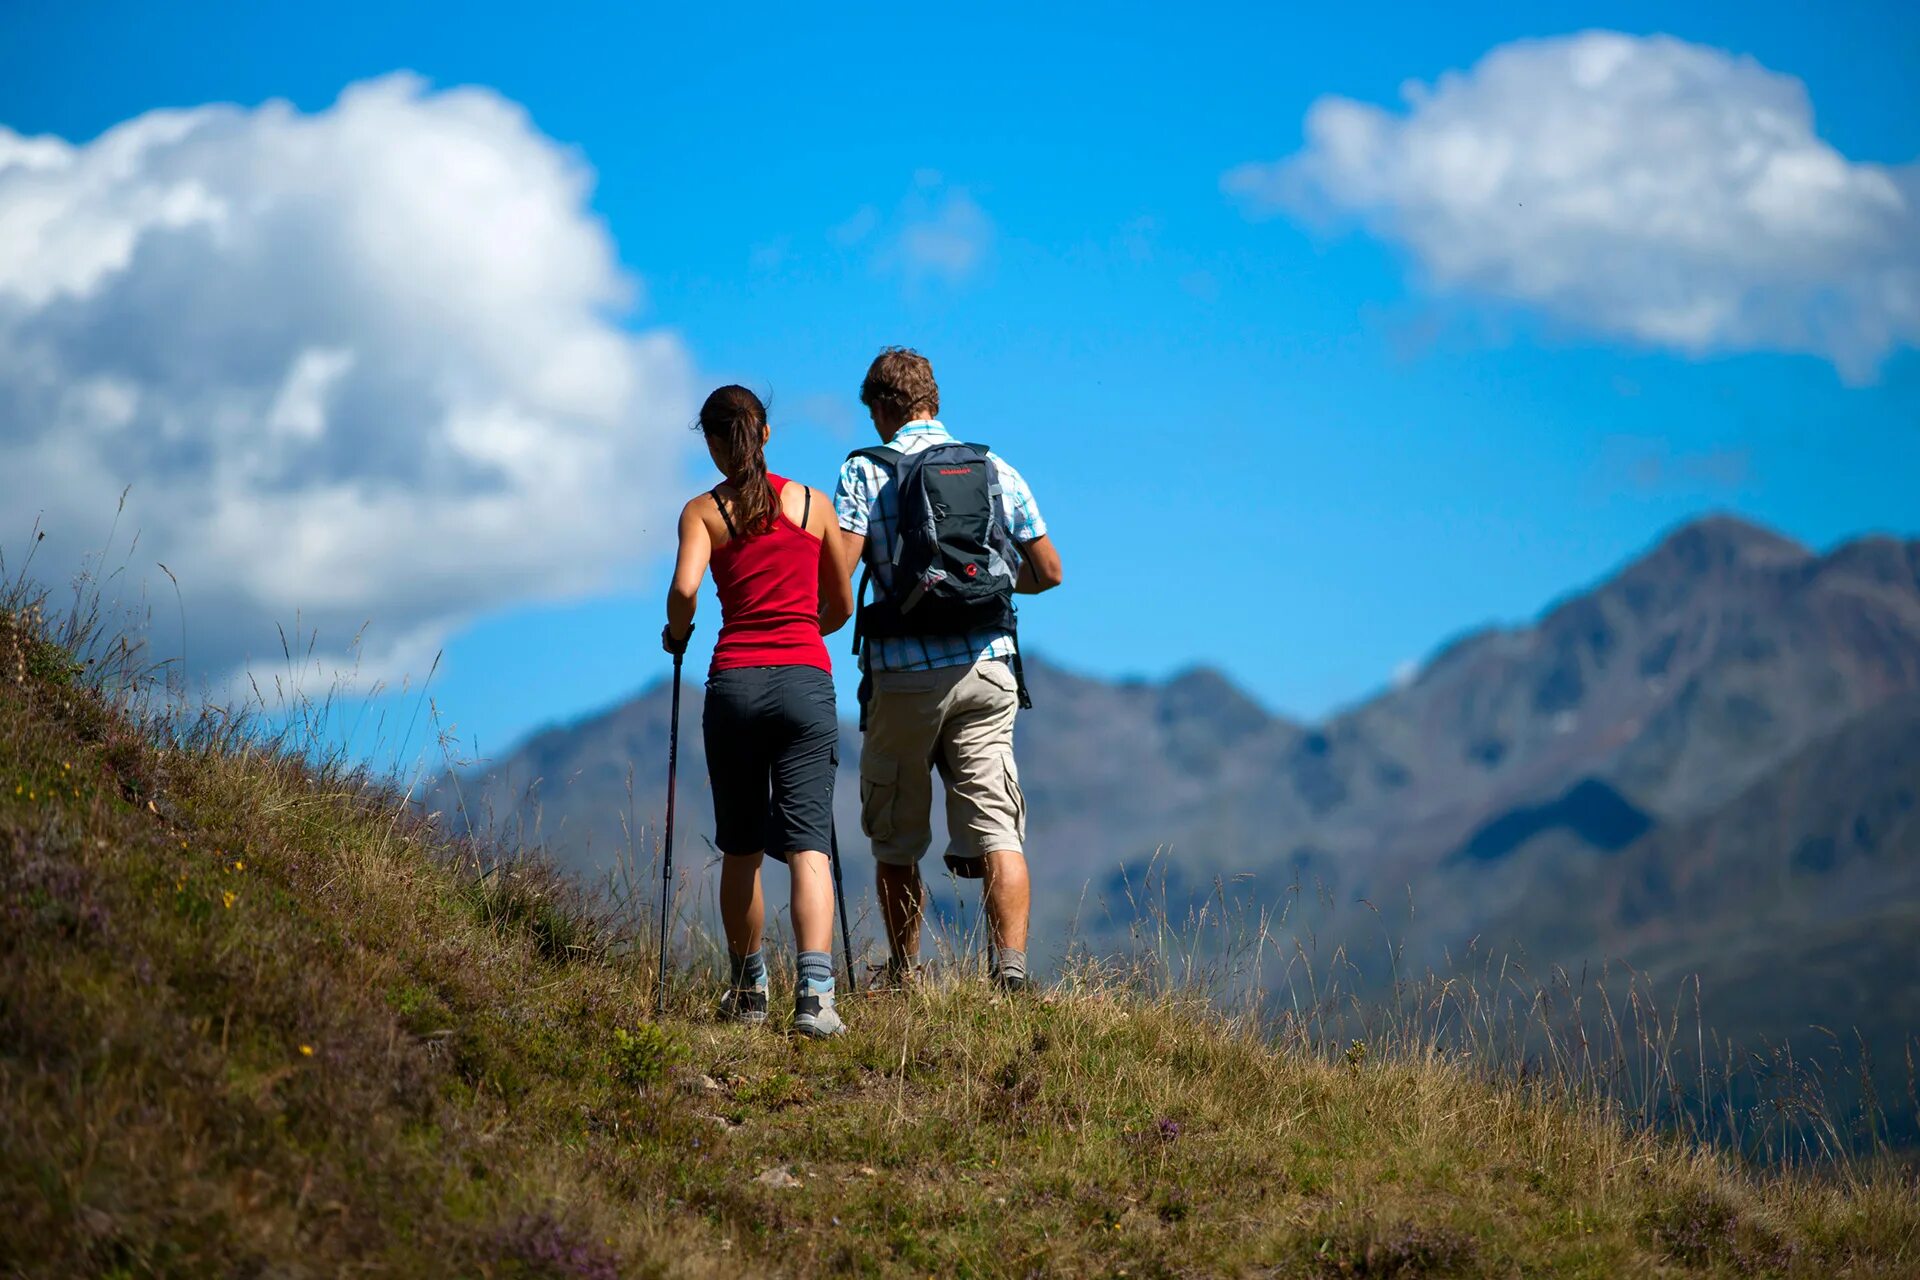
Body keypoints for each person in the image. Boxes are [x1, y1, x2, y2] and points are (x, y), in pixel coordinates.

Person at [833, 348, 1063, 991]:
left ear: (881, 406)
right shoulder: (995, 468)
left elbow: (842, 575)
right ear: (933, 399)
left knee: (895, 837)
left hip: (903, 673)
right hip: (988, 667)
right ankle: (1011, 974)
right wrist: (985, 585)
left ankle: (904, 976)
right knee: (997, 826)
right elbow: (1049, 571)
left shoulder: (863, 471)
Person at [664, 385, 855, 1037]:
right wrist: (804, 630)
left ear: (716, 445)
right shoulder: (813, 505)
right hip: (807, 678)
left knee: (742, 846)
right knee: (809, 843)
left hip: (735, 684)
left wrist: (677, 631)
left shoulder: (703, 512)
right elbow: (841, 605)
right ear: (765, 434)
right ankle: (816, 997)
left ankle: (749, 994)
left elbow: (687, 589)